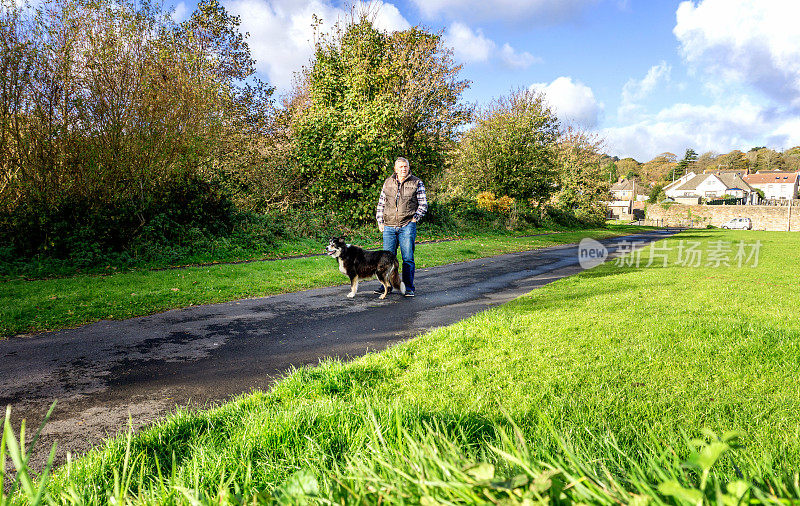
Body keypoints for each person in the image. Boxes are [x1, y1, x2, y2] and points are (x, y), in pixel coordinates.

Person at [375, 157, 427, 297]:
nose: (403, 169)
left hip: (407, 225)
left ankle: (408, 287)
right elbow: (381, 203)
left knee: (408, 258)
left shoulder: (416, 182)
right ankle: (386, 286)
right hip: (389, 226)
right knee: (386, 259)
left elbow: (423, 204)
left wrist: (415, 218)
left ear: (408, 167)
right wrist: (380, 221)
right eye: (401, 167)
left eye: (406, 166)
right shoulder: (388, 182)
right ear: (395, 169)